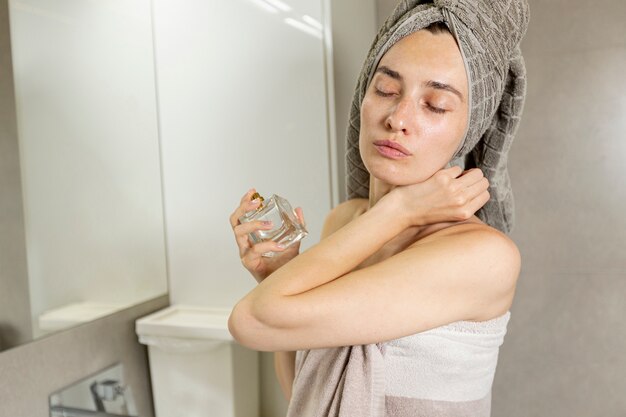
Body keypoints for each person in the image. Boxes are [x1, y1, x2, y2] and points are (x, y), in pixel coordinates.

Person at [229, 2, 529, 415]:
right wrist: (277, 275)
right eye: (386, 90)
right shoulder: (342, 221)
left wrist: (399, 210)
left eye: (435, 105)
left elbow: (251, 321)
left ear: (469, 128)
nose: (398, 117)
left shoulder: (483, 256)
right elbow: (308, 392)